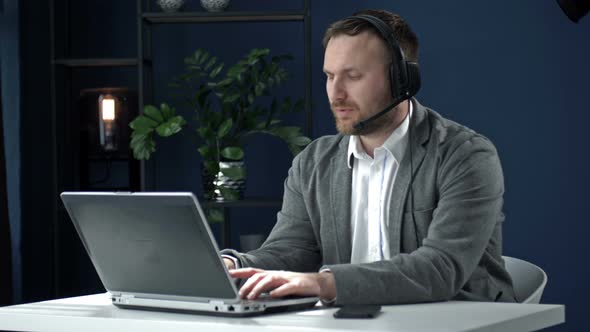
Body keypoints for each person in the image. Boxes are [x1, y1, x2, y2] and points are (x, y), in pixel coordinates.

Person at [221, 9, 516, 305]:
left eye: (353, 76)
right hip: (353, 321)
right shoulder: (313, 162)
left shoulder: (465, 155)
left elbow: (440, 269)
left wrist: (324, 283)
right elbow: (291, 250)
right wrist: (234, 266)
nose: (335, 94)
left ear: (403, 80)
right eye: (329, 76)